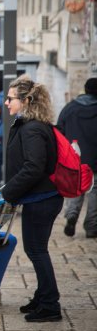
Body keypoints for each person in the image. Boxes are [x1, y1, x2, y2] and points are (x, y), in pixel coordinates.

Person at [2, 75, 64, 322]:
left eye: (10, 99)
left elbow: (33, 167)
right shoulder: (32, 124)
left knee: (36, 250)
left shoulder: (32, 129)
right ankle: (42, 296)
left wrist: (8, 192)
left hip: (43, 199)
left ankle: (50, 304)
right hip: (40, 197)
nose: (7, 102)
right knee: (36, 249)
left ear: (26, 100)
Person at [57, 78, 97, 238]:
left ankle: (72, 215)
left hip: (76, 157)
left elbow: (59, 131)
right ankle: (92, 226)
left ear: (85, 90)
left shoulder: (70, 108)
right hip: (96, 158)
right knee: (95, 190)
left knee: (77, 187)